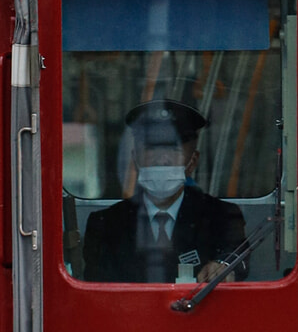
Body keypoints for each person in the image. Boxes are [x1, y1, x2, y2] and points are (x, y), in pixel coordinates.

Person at [81, 97, 246, 285]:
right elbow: (99, 289)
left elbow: (236, 255)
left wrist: (223, 265)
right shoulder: (106, 225)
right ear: (135, 158)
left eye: (173, 149)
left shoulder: (223, 217)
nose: (162, 160)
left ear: (193, 162)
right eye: (152, 148)